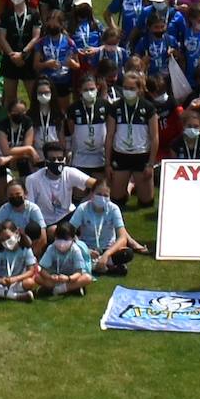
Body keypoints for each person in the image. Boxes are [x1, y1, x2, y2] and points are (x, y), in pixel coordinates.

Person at [106, 74, 158, 206]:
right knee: (116, 200)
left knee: (147, 202)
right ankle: (127, 188)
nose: (127, 91)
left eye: (131, 88)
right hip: (121, 155)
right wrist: (107, 163)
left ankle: (133, 186)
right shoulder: (116, 107)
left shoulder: (148, 107)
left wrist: (150, 164)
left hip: (141, 156)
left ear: (139, 89)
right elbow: (110, 135)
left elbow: (154, 137)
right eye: (125, 87)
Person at [69, 181, 138, 275]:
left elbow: (122, 238)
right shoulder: (83, 208)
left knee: (128, 253)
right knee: (72, 252)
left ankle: (95, 266)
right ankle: (107, 268)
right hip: (88, 250)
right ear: (92, 194)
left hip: (108, 249)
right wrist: (85, 250)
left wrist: (107, 254)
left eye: (105, 195)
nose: (102, 198)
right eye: (99, 194)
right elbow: (69, 233)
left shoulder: (113, 209)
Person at [0, 220, 38, 302]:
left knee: (29, 282)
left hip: (17, 282)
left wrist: (15, 279)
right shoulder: (0, 252)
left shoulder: (26, 249)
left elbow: (31, 271)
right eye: (2, 240)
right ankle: (16, 296)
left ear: (16, 233)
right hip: (1, 282)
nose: (6, 242)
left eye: (8, 237)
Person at [36, 222, 93, 297]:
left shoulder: (75, 250)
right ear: (55, 237)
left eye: (66, 239)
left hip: (70, 279)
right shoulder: (51, 248)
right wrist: (50, 277)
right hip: (54, 279)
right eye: (59, 238)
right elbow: (43, 269)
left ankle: (60, 289)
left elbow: (79, 272)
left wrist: (68, 278)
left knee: (87, 278)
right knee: (37, 277)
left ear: (73, 238)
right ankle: (72, 289)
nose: (62, 242)